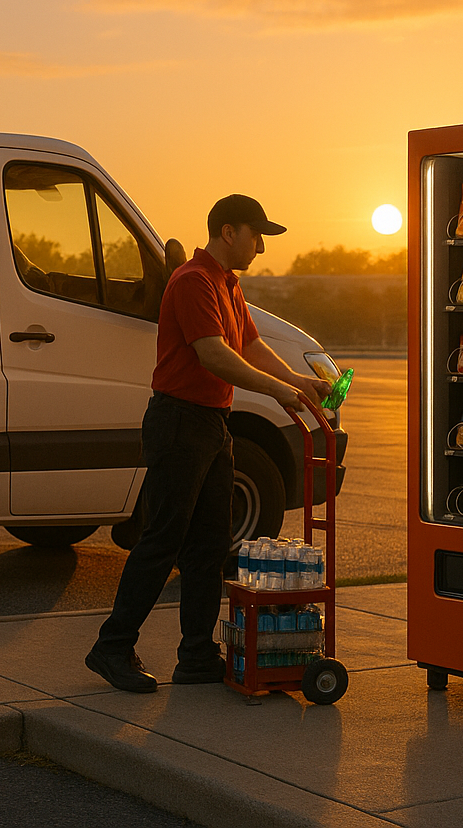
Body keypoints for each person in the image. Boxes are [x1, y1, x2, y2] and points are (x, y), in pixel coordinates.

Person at [85, 194, 333, 693]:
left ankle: (196, 654)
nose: (261, 246)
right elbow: (213, 354)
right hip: (179, 421)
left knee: (209, 546)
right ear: (227, 232)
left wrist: (300, 383)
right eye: (256, 234)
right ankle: (112, 646)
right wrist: (278, 390)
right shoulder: (193, 281)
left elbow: (249, 344)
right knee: (163, 540)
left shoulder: (227, 284)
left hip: (212, 424)